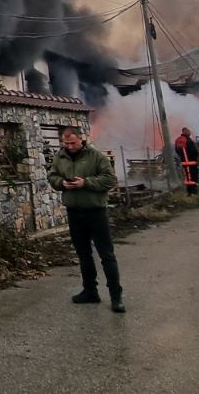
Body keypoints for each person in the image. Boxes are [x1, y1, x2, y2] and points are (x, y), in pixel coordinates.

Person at [48, 126, 123, 313]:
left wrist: (86, 183)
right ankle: (90, 291)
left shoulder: (96, 157)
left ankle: (116, 297)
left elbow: (110, 179)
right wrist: (61, 183)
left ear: (81, 139)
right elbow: (52, 176)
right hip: (74, 212)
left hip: (96, 212)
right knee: (83, 254)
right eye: (66, 143)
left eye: (73, 143)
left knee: (106, 255)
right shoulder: (60, 157)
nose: (70, 147)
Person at [174, 126, 199, 194]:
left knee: (187, 177)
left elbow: (177, 150)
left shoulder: (178, 140)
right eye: (189, 131)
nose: (190, 132)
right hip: (191, 161)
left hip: (184, 162)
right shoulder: (188, 140)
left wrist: (182, 157)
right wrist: (197, 156)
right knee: (193, 177)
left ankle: (189, 191)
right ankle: (193, 192)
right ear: (186, 132)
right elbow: (194, 151)